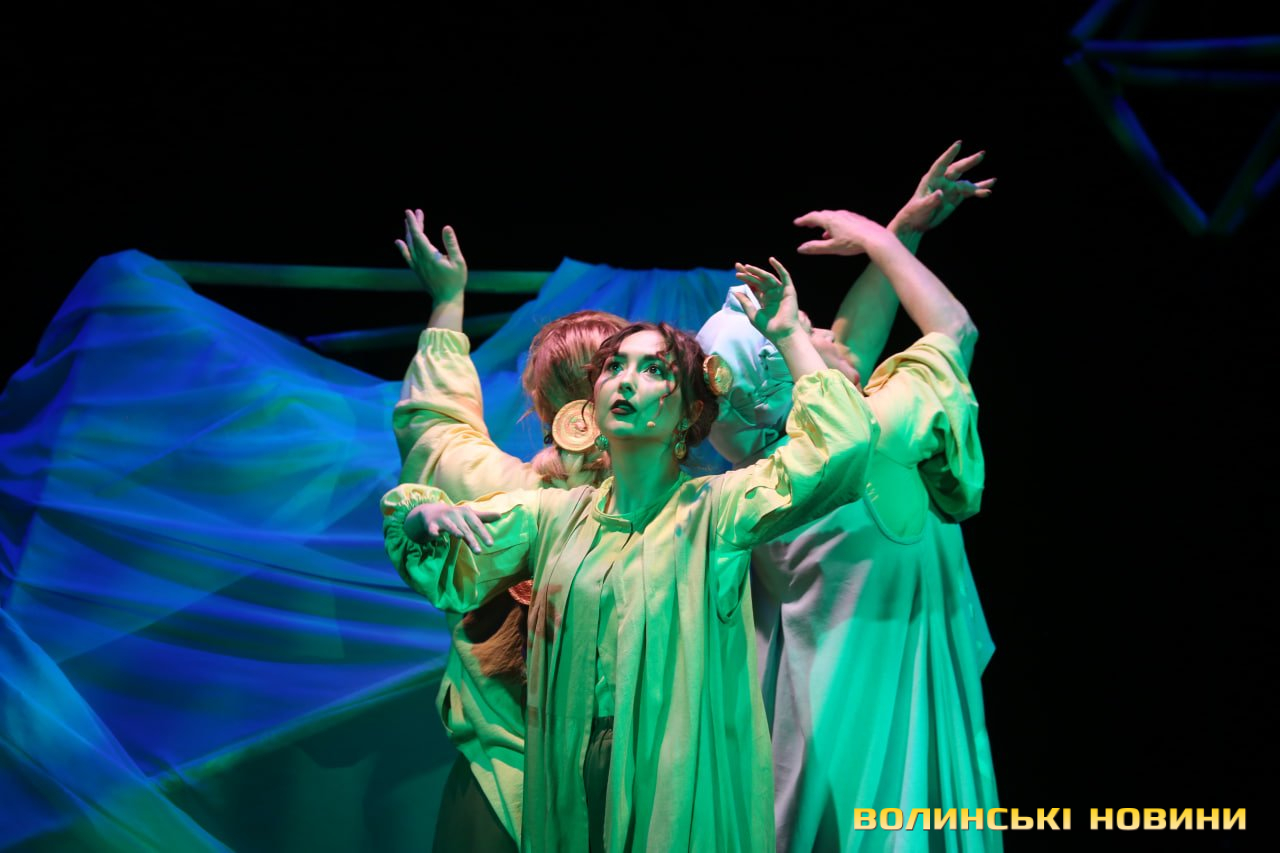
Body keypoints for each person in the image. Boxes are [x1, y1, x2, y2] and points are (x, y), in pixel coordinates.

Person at [382, 256, 879, 852]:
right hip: (565, 774)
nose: (626, 379)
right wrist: (423, 517)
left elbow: (839, 447)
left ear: (689, 411)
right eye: (614, 366)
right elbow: (450, 564)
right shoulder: (551, 516)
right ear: (589, 405)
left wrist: (790, 333)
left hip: (671, 779)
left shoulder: (717, 511)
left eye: (653, 369)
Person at [695, 143, 1000, 852]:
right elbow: (954, 329)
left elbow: (842, 362)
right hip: (884, 736)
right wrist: (877, 239)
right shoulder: (876, 435)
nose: (825, 329)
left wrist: (906, 228)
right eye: (803, 328)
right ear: (784, 374)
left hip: (815, 734)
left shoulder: (773, 476)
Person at [393, 209, 626, 851]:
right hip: (616, 786)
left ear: (540, 401)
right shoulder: (680, 509)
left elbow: (432, 422)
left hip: (505, 781)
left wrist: (448, 301)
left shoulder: (497, 491)